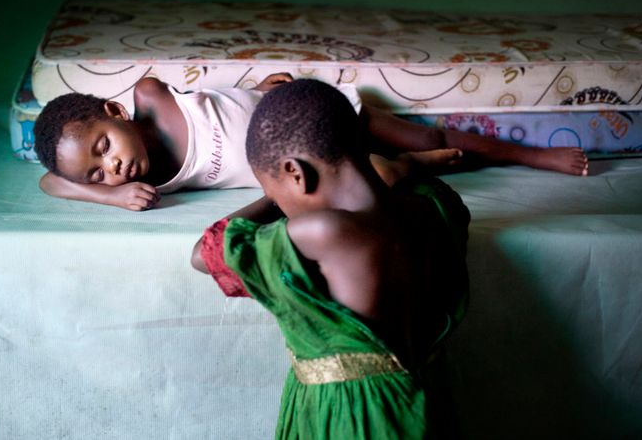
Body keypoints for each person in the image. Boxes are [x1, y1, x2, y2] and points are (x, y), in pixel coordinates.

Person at [191, 80, 470, 439]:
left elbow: (205, 252)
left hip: (353, 421)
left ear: (296, 173)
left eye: (273, 190)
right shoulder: (436, 205)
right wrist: (399, 167)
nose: (279, 203)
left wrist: (271, 201)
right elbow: (400, 186)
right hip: (425, 410)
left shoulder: (324, 233)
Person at [33, 72, 588, 211]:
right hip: (304, 159)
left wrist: (255, 87)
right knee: (379, 174)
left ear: (115, 111)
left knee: (432, 136)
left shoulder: (150, 94)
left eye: (105, 148)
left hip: (302, 109)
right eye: (98, 173)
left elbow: (212, 97)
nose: (114, 170)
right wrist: (103, 196)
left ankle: (533, 155)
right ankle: (411, 165)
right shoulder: (144, 181)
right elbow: (50, 181)